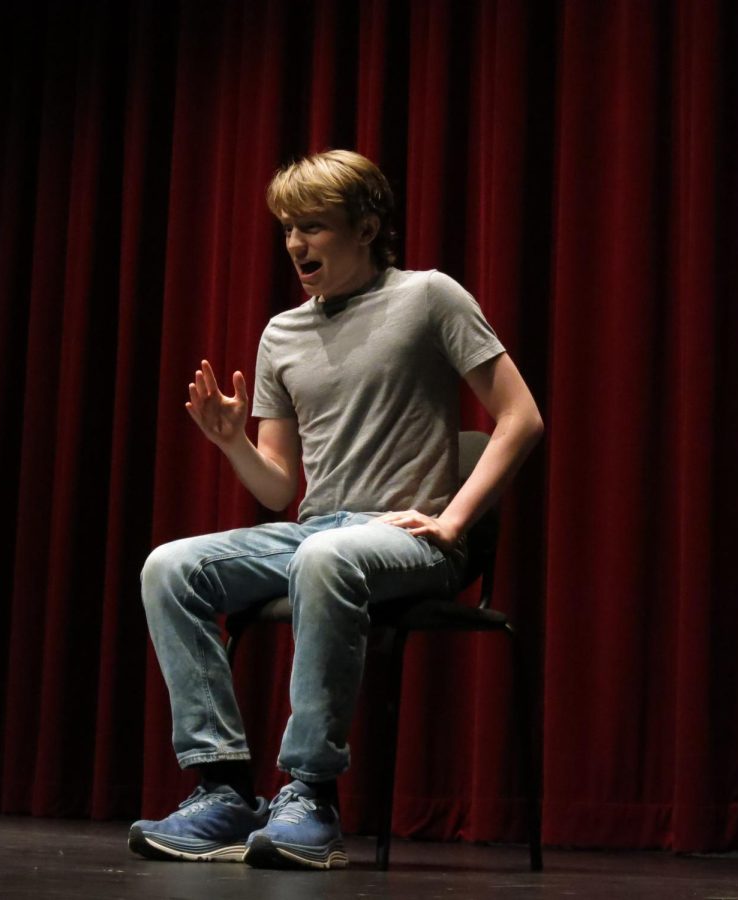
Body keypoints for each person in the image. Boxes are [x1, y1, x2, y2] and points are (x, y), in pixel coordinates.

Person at [129, 149, 543, 870]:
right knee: (170, 566)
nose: (296, 244)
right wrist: (232, 444)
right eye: (289, 229)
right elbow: (275, 489)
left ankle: (311, 795)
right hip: (318, 530)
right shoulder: (281, 336)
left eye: (314, 227)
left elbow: (521, 419)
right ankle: (224, 785)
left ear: (367, 227)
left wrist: (452, 523)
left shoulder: (429, 297)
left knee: (325, 558)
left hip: (413, 538)